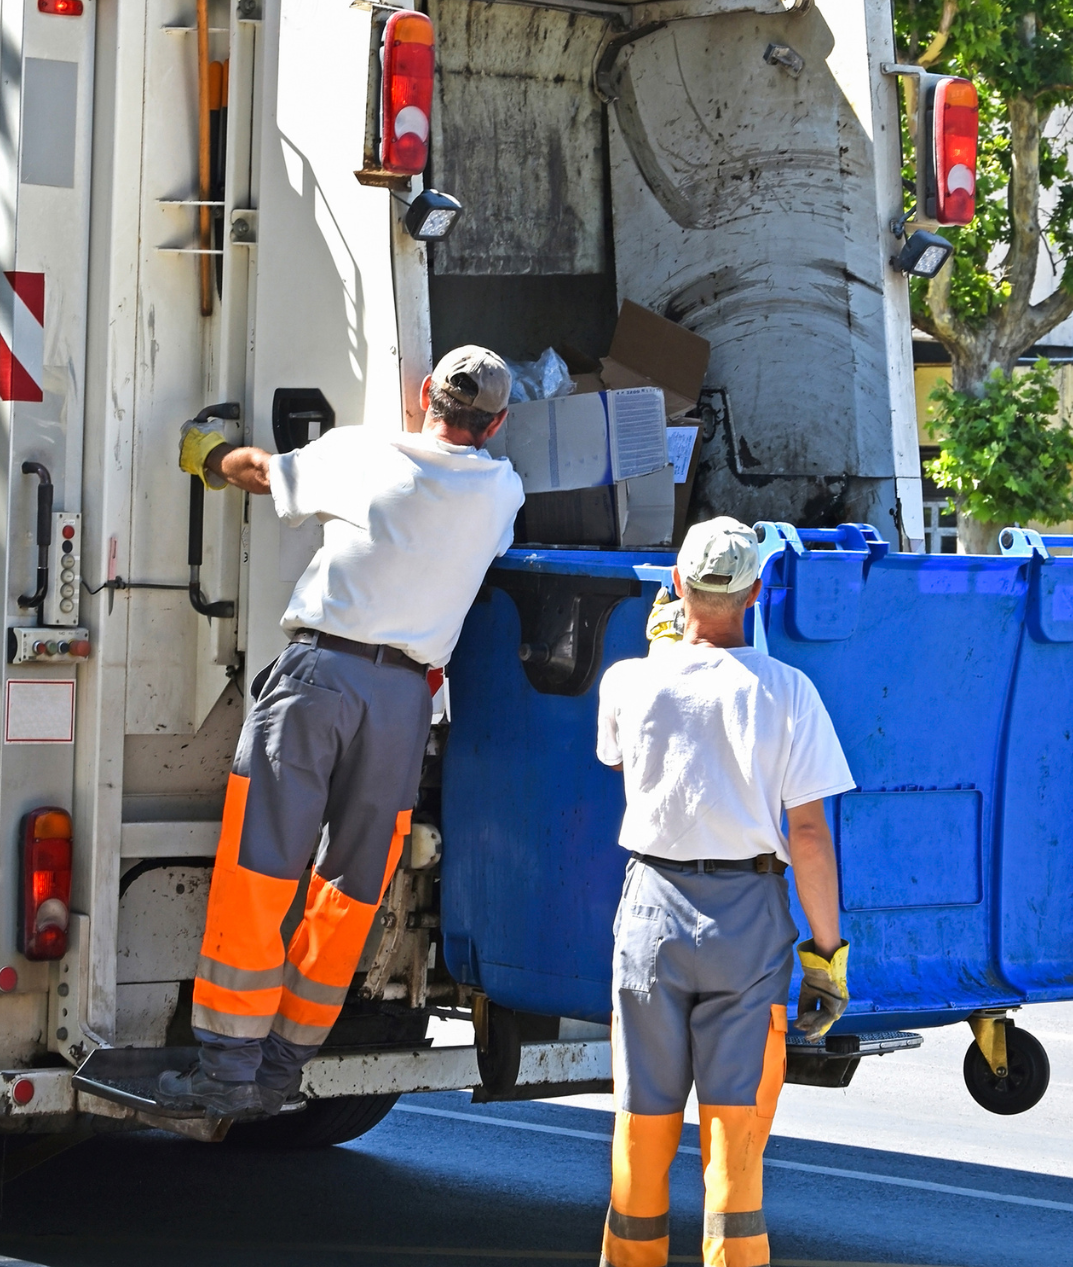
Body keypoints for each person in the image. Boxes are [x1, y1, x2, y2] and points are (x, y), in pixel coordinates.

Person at [159, 346, 526, 1119]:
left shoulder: (367, 452)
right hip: (404, 703)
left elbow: (265, 474)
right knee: (351, 890)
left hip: (321, 678)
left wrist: (208, 454)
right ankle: (281, 1070)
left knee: (261, 868)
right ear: (496, 424)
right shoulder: (504, 492)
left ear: (424, 393)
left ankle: (226, 1070)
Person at [596, 517, 853, 1267]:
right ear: (757, 591)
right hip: (748, 921)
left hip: (651, 911)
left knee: (642, 1123)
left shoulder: (628, 681)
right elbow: (809, 836)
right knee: (734, 1130)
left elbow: (627, 761)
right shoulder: (789, 692)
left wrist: (663, 654)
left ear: (676, 585)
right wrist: (826, 956)